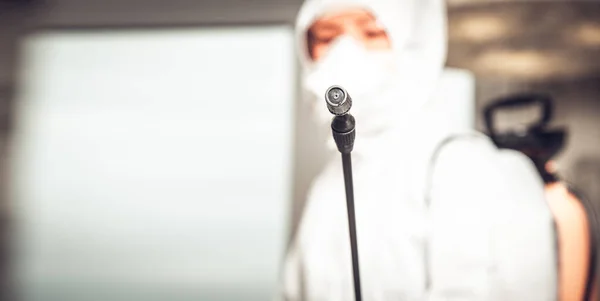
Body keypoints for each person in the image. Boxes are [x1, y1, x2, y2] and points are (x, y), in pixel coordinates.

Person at [280, 0, 557, 300]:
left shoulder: (467, 166)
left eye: (372, 33)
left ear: (415, 44)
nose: (345, 52)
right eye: (325, 37)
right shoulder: (328, 184)